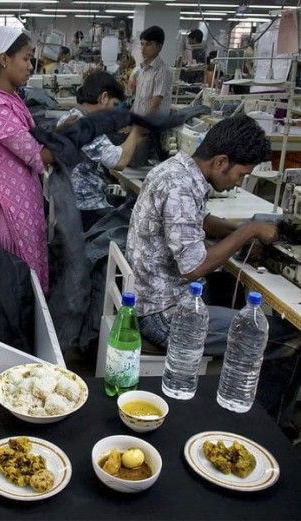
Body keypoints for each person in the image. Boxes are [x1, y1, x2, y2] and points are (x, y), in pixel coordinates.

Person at [126, 115, 300, 425]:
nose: (239, 183)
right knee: (290, 338)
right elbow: (194, 268)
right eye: (241, 174)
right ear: (221, 162)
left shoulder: (178, 170)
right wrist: (247, 232)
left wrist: (241, 230)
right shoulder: (180, 186)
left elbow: (201, 221)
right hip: (163, 316)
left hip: (155, 294)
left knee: (236, 293)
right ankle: (265, 426)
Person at [0, 27, 55, 292]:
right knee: (14, 284)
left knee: (23, 282)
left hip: (20, 200)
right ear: (4, 59)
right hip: (9, 209)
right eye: (25, 58)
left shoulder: (9, 99)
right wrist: (76, 137)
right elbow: (36, 156)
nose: (30, 66)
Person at [56, 72, 144, 225]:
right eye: (114, 105)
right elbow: (119, 161)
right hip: (86, 208)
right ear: (103, 98)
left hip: (68, 204)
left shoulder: (70, 116)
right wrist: (137, 131)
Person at [132, 26, 173, 116]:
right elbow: (138, 100)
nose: (143, 49)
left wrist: (142, 123)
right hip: (140, 120)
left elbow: (154, 105)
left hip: (151, 122)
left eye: (148, 44)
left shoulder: (162, 71)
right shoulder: (142, 69)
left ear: (159, 47)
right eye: (142, 44)